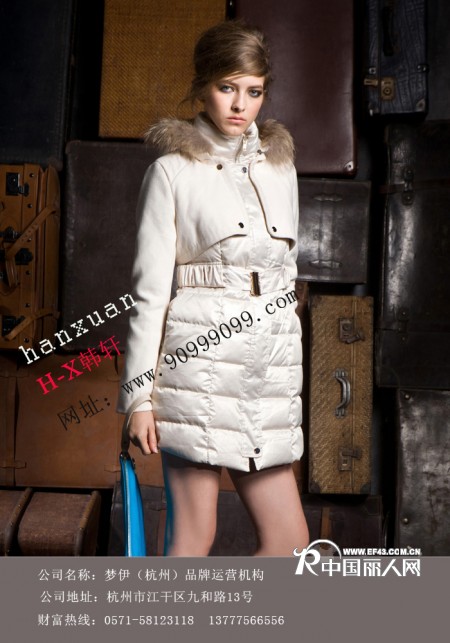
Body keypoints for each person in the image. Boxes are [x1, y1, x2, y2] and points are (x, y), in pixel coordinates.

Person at [116, 20, 309, 556]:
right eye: (227, 87)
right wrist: (139, 398)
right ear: (203, 86)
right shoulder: (171, 173)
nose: (240, 105)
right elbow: (150, 296)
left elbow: (286, 275)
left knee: (291, 544)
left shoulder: (281, 169)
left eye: (254, 91)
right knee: (192, 542)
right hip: (194, 373)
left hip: (267, 376)